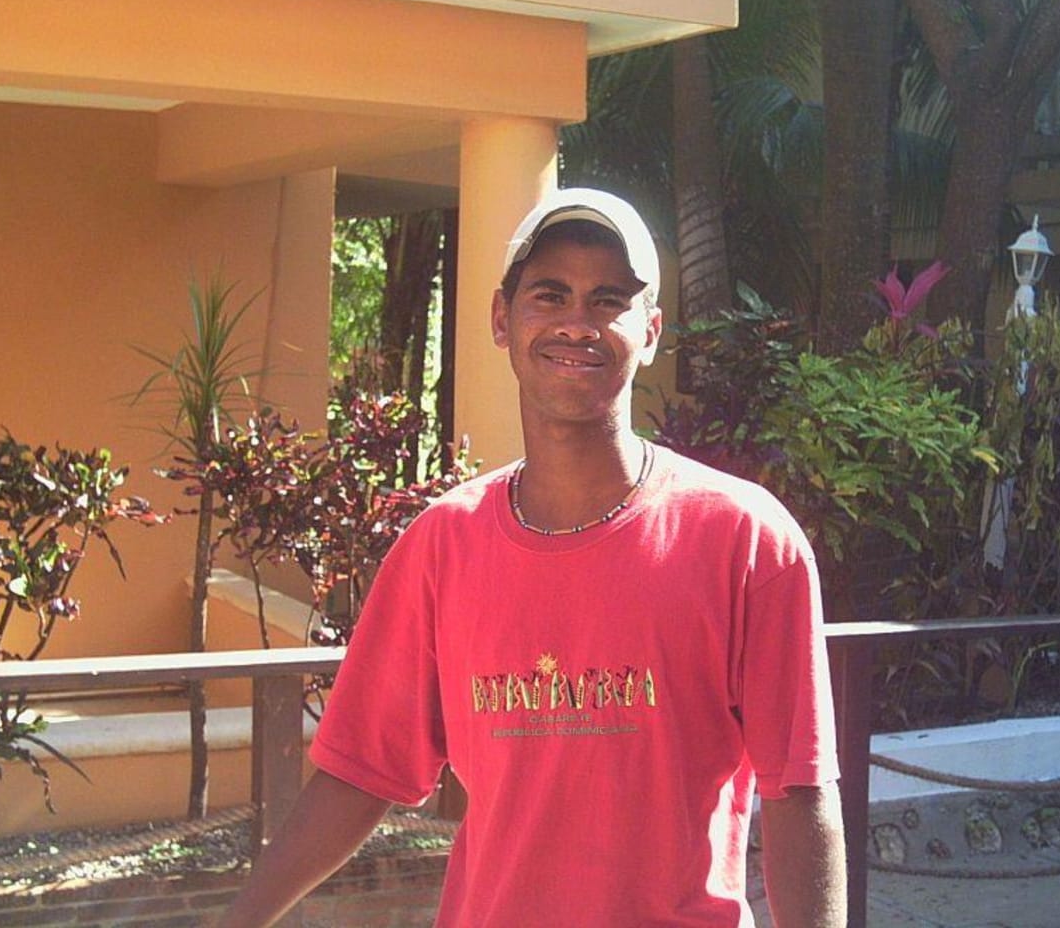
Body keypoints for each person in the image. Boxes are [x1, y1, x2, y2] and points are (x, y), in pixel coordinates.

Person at [218, 188, 845, 927]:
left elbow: (798, 788)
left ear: (650, 331)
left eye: (608, 299)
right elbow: (360, 772)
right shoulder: (441, 547)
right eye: (550, 294)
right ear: (501, 318)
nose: (577, 323)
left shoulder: (745, 539)